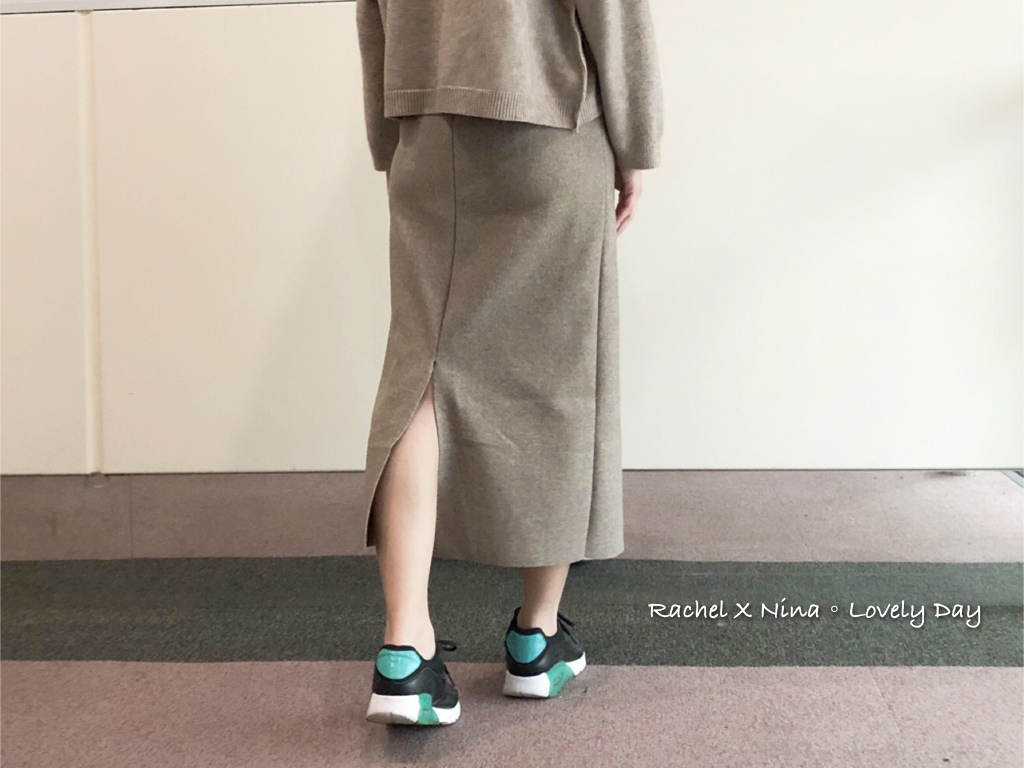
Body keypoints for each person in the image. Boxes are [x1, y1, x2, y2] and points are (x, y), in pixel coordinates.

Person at [355, 0, 663, 726]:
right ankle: (537, 638)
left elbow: (371, 13)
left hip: (425, 125)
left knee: (424, 369)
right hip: (549, 120)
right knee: (558, 376)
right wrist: (637, 142)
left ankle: (405, 651)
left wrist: (389, 135)